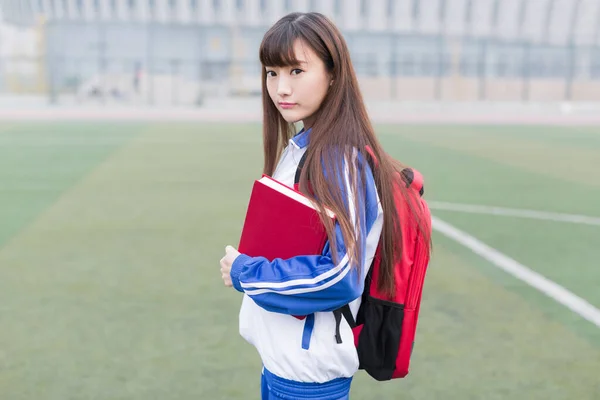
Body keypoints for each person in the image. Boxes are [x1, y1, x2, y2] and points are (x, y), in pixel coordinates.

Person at [219, 12, 422, 400]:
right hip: (284, 368)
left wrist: (247, 271)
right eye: (272, 73)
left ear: (332, 74)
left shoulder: (337, 159)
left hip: (307, 380)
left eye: (296, 71)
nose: (280, 87)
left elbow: (340, 275)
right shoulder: (305, 146)